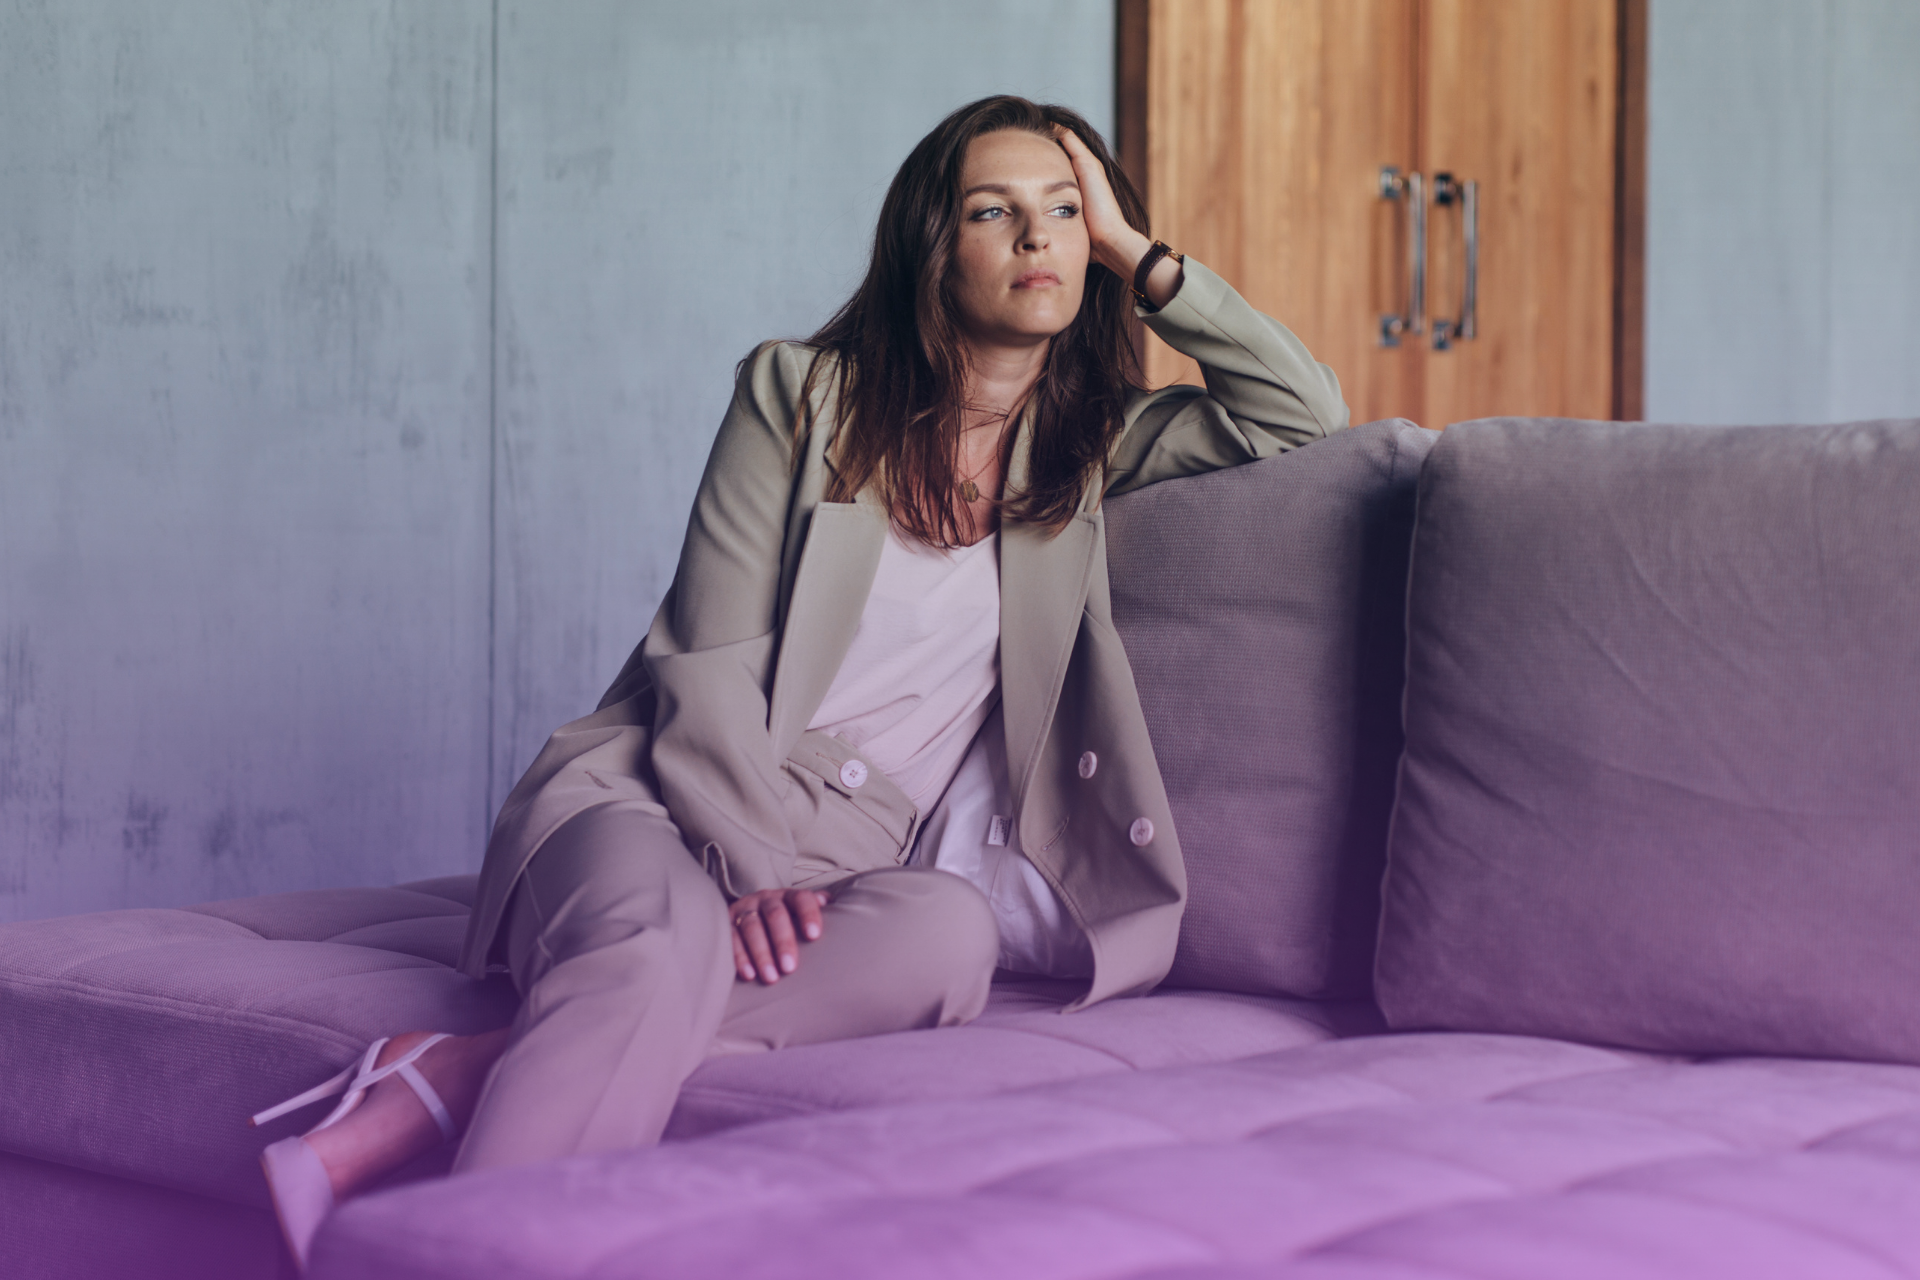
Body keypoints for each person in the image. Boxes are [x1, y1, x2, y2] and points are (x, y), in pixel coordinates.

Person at [250, 93, 1348, 1267]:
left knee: (949, 940)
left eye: (1066, 212)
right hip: (660, 799)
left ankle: (462, 1067)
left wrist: (1143, 257)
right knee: (653, 947)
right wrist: (749, 869)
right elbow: (703, 658)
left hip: (859, 861)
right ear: (937, 247)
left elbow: (1302, 412)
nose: (1039, 239)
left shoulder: (1092, 448)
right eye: (998, 211)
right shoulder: (799, 394)